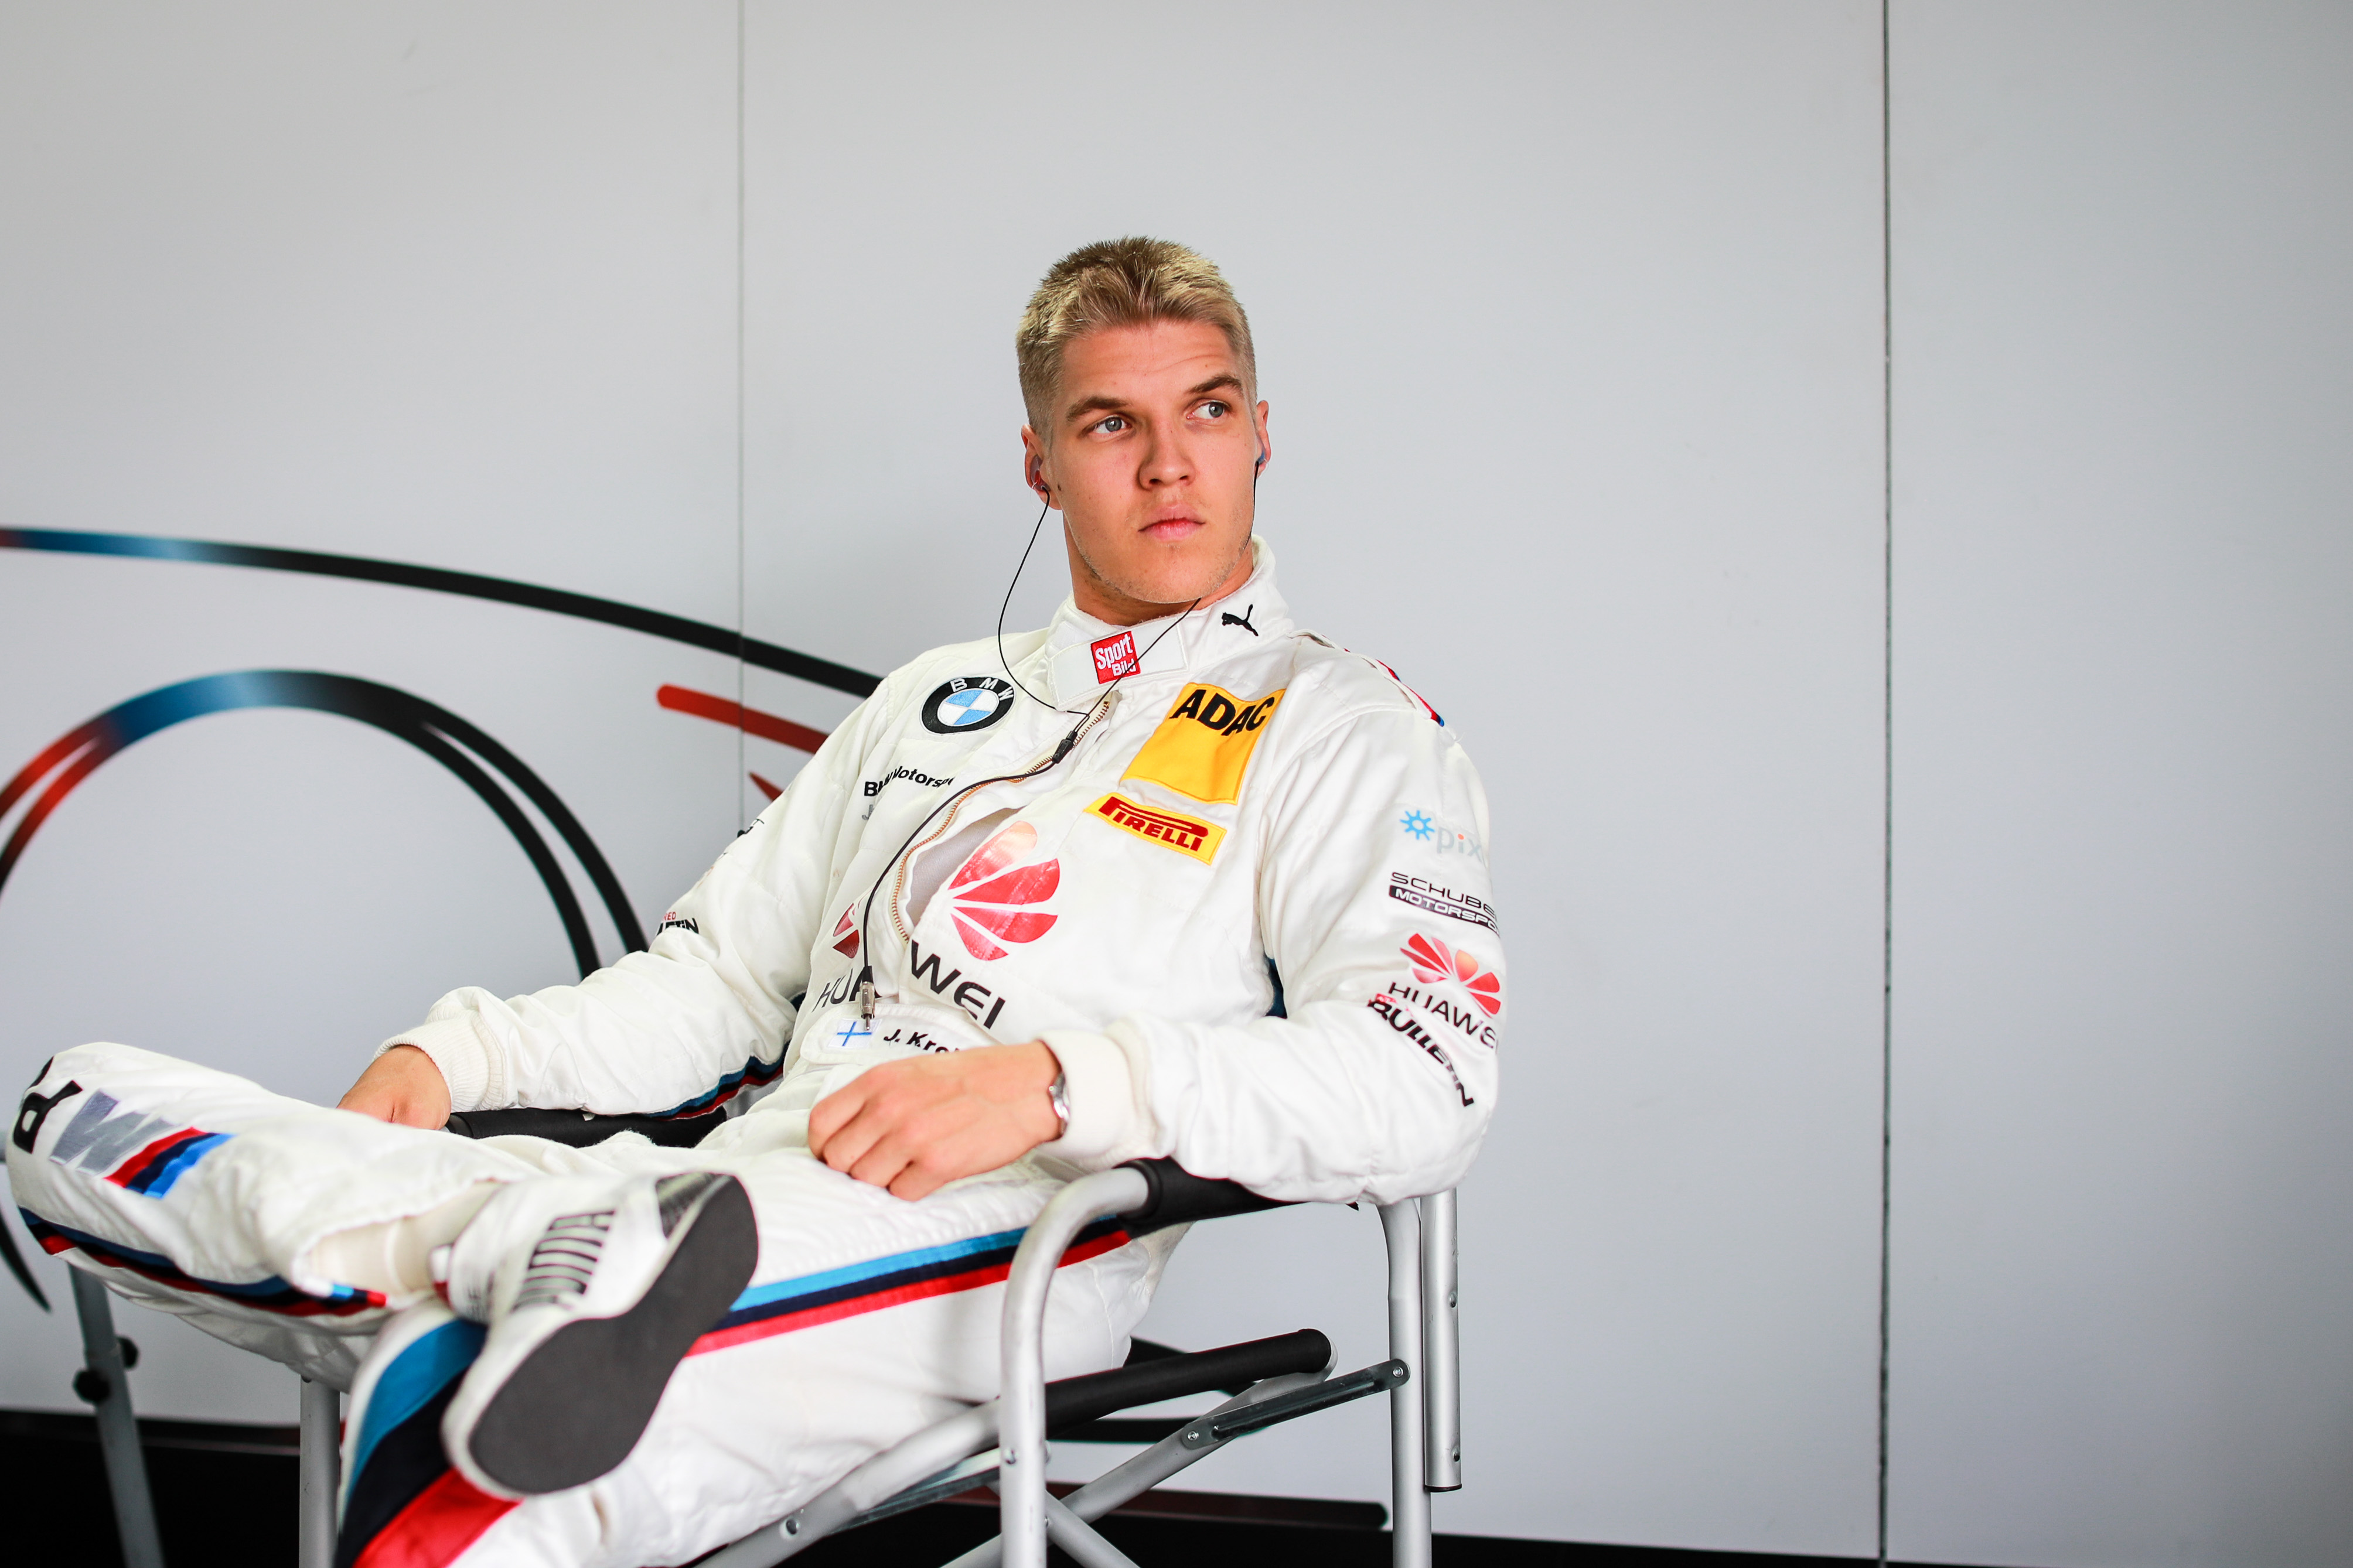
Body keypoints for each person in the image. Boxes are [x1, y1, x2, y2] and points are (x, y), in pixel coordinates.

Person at [7, 237, 1503, 1567]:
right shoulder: (935, 701)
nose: (1170, 465)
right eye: (1113, 423)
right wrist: (456, 1058)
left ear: (1261, 431)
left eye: (1209, 411)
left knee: (478, 1442)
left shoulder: (1346, 728)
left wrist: (1056, 1083)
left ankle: (520, 1254)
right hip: (724, 1192)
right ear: (1042, 463)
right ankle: (539, 1252)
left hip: (1008, 1234)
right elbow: (718, 983)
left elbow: (1423, 1074)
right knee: (81, 1106)